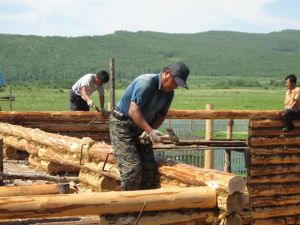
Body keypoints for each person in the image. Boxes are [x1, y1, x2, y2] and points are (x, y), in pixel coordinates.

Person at [109, 62, 189, 191]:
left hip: (141, 127)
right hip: (122, 125)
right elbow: (133, 111)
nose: (175, 87)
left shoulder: (169, 93)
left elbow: (160, 115)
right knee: (132, 169)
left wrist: (149, 131)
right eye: (175, 82)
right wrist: (149, 130)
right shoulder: (146, 83)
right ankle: (127, 207)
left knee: (149, 170)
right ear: (167, 73)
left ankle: (145, 206)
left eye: (178, 85)